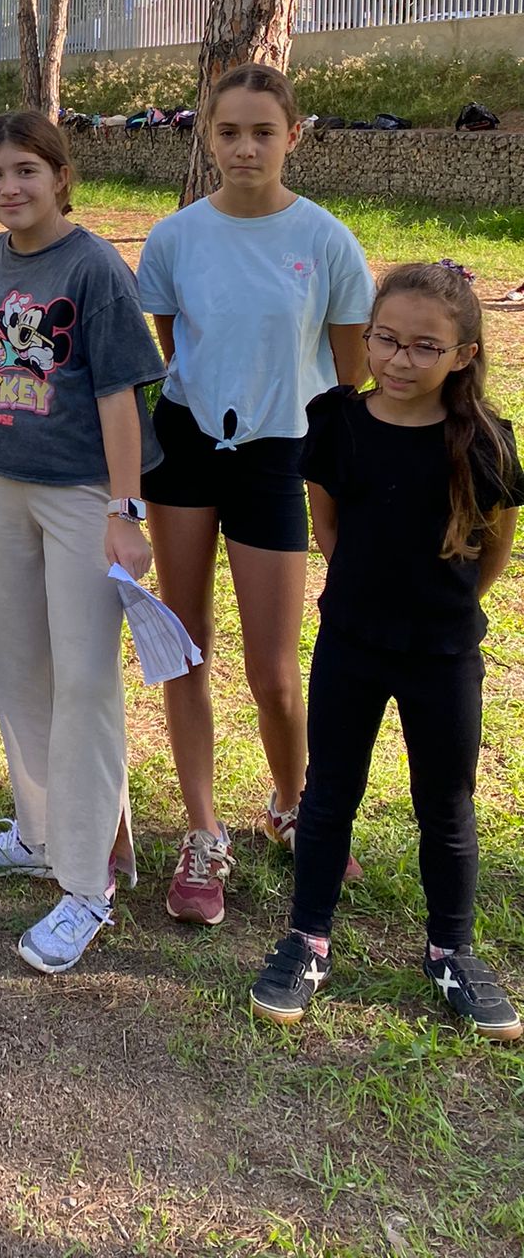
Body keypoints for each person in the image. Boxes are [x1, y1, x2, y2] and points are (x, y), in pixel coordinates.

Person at [250, 263, 523, 1041]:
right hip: (352, 644)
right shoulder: (337, 422)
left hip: (444, 655)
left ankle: (451, 952)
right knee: (329, 793)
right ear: (367, 337)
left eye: (425, 346)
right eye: (387, 340)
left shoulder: (485, 441)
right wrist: (366, 598)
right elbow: (327, 525)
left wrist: (445, 605)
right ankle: (307, 940)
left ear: (463, 355)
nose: (401, 359)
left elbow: (494, 547)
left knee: (447, 804)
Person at [137, 63, 374, 929]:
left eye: (262, 132)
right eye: (229, 132)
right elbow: (173, 345)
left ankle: (293, 804)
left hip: (280, 456)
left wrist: (338, 479)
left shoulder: (327, 241)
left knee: (274, 672)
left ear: (292, 137)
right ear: (208, 136)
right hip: (186, 452)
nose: (245, 148)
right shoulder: (175, 238)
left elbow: (351, 377)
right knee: (185, 647)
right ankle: (203, 832)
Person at [0, 114, 164, 973]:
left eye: (26, 170)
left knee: (83, 682)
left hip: (83, 496)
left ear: (60, 176)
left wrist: (125, 511)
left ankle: (87, 884)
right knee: (17, 668)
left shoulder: (94, 267)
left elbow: (120, 396)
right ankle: (38, 835)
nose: (9, 188)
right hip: (2, 483)